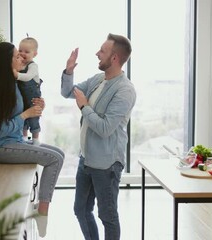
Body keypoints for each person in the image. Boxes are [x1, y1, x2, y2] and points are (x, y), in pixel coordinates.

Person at [0, 42, 64, 237]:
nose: (22, 58)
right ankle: (42, 212)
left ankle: (40, 209)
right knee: (56, 159)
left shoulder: (14, 86)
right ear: (7, 63)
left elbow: (25, 109)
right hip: (0, 147)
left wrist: (37, 106)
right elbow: (1, 131)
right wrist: (26, 115)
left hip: (13, 141)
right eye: (17, 56)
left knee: (59, 153)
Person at [60, 33, 136, 240]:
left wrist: (84, 106)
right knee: (81, 209)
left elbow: (104, 128)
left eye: (102, 50)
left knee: (107, 216)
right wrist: (68, 70)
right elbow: (68, 92)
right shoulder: (97, 80)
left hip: (107, 164)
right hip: (87, 159)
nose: (96, 53)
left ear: (114, 58)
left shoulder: (125, 90)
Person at [16, 37, 43, 146]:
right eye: (20, 50)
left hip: (33, 99)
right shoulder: (19, 65)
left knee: (33, 119)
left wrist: (16, 74)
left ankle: (36, 139)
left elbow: (27, 77)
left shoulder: (33, 66)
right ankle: (24, 137)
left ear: (34, 54)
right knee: (23, 117)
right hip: (22, 99)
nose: (22, 53)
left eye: (27, 52)